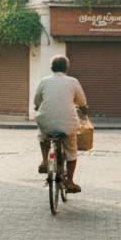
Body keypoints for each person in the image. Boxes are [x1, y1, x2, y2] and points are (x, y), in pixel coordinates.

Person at [34, 55, 88, 193]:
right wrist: (82, 107)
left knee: (42, 135)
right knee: (71, 150)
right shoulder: (73, 81)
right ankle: (69, 182)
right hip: (68, 123)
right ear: (66, 68)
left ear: (51, 68)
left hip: (45, 121)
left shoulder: (44, 81)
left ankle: (45, 161)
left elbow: (36, 102)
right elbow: (82, 102)